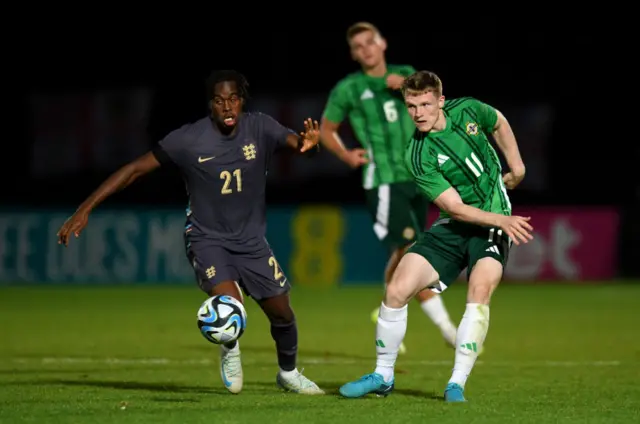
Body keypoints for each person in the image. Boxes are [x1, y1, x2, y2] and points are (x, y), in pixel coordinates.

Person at [56, 70, 325, 396]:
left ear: (242, 100)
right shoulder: (188, 139)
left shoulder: (261, 127)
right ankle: (229, 346)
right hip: (207, 238)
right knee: (229, 306)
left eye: (233, 99)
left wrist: (311, 146)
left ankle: (288, 374)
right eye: (219, 100)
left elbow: (301, 146)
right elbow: (134, 170)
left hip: (252, 241)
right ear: (210, 104)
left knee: (282, 313)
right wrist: (85, 208)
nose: (227, 107)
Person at [339, 70, 533, 402]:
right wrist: (503, 219)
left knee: (480, 288)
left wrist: (517, 167)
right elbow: (455, 208)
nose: (418, 113)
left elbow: (498, 120)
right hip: (459, 223)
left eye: (425, 104)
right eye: (411, 106)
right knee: (398, 287)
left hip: (490, 226)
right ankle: (383, 376)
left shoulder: (469, 110)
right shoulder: (417, 154)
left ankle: (456, 383)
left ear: (440, 101)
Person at [320, 22, 458, 353]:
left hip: (418, 176)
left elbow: (433, 102)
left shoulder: (406, 74)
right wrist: (345, 154)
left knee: (411, 250)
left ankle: (387, 307)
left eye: (370, 42)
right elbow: (327, 129)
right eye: (358, 46)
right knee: (412, 247)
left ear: (382, 43)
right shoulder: (349, 88)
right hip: (382, 181)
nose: (366, 49)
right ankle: (447, 330)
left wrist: (407, 86)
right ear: (354, 54)